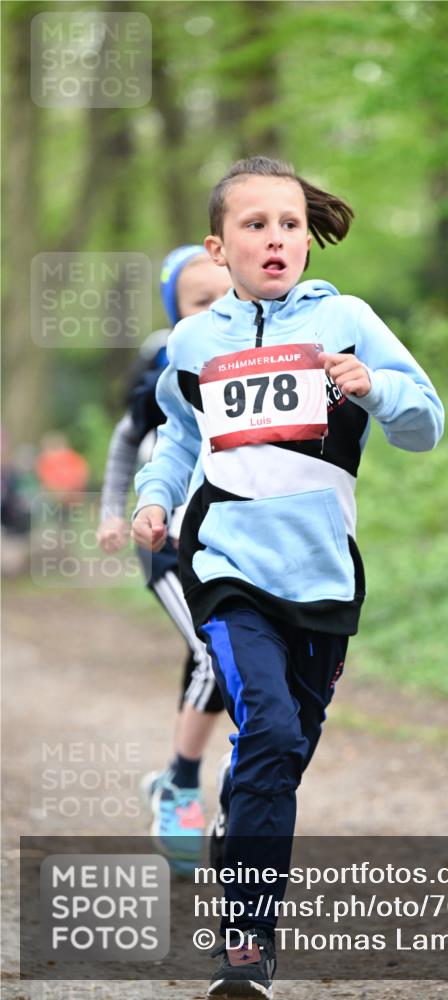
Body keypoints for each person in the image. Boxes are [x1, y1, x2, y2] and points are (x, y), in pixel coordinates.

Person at [132, 156, 444, 998]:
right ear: (218, 246)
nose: (275, 239)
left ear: (308, 239)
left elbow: (425, 425)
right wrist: (152, 500)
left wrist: (371, 385)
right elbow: (179, 442)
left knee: (280, 757)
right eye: (254, 225)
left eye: (290, 225)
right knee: (265, 730)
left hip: (324, 578)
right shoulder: (196, 342)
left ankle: (244, 821)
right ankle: (246, 947)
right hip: (226, 569)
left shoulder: (346, 319)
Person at [98, 246, 232, 873]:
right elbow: (128, 443)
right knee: (214, 653)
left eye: (221, 297)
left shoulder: (248, 357)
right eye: (197, 301)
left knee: (216, 654)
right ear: (173, 309)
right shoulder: (164, 364)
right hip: (168, 543)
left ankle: (193, 783)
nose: (212, 309)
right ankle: (182, 786)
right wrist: (109, 511)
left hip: (228, 543)